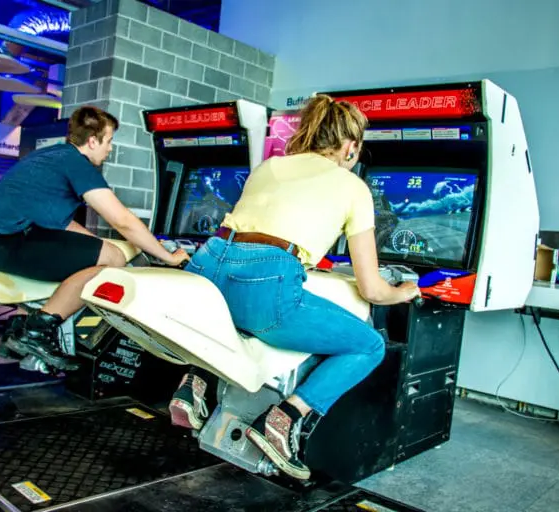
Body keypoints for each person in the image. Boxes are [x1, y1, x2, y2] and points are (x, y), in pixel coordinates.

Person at [168, 95, 420, 480]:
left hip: (208, 262)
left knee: (229, 316)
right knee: (369, 345)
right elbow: (372, 289)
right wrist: (403, 291)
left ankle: (193, 383)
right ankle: (284, 418)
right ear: (351, 146)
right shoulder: (353, 187)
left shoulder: (270, 166)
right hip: (265, 280)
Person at [0, 106, 189, 370]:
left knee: (105, 254)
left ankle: (21, 328)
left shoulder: (53, 156)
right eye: (109, 141)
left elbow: (62, 223)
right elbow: (122, 221)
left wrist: (98, 246)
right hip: (3, 242)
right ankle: (36, 331)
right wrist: (168, 257)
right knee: (114, 260)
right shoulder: (76, 163)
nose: (110, 149)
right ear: (92, 141)